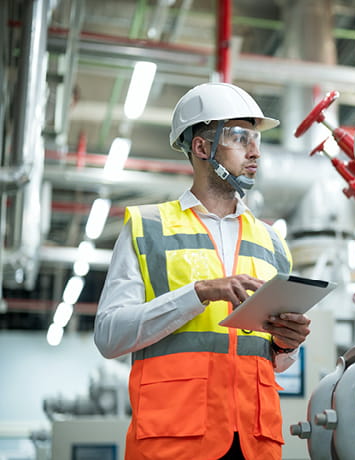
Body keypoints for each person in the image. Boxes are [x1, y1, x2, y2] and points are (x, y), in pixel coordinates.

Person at [94, 82, 311, 460]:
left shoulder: (272, 242)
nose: (255, 151)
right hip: (174, 442)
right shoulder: (149, 228)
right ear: (202, 147)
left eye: (256, 138)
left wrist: (286, 342)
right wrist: (199, 293)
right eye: (241, 137)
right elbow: (110, 336)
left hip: (254, 444)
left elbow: (270, 359)